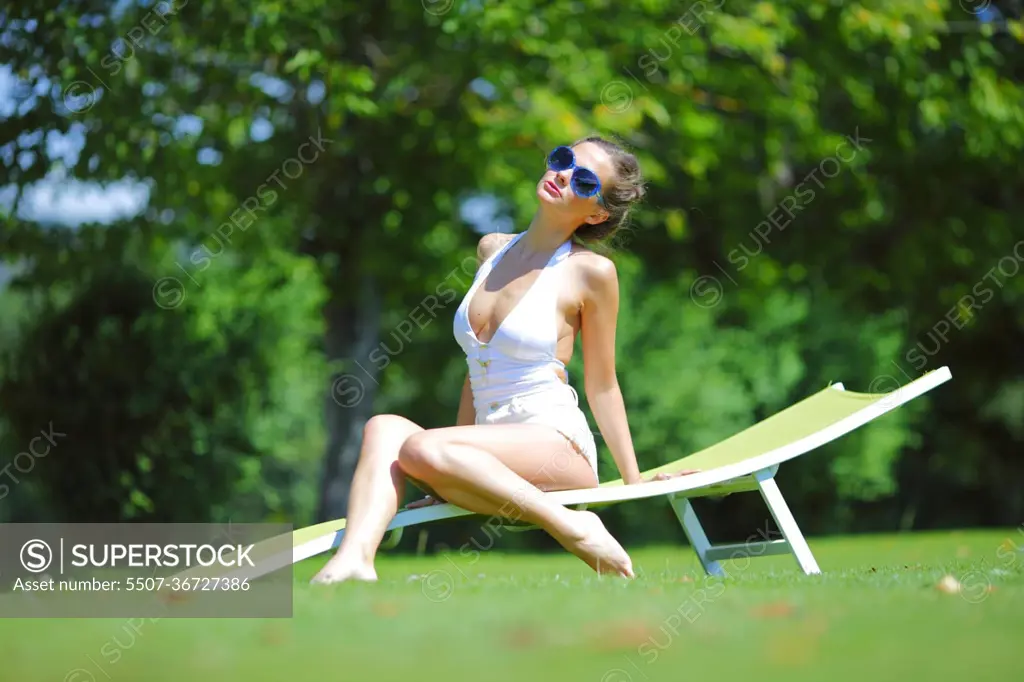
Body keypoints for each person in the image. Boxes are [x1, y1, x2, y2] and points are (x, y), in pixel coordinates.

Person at [310, 136, 694, 585]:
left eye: (585, 180)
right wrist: (444, 462)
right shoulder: (492, 250)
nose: (564, 174)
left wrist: (633, 480)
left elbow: (603, 385)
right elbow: (478, 367)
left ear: (596, 213)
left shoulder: (591, 272)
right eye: (563, 159)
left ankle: (575, 527)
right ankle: (355, 560)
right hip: (484, 451)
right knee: (384, 428)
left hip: (554, 444)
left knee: (419, 446)